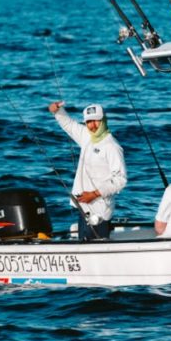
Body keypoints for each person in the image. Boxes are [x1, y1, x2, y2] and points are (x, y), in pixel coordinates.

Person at [48, 100, 127, 240]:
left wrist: (95, 194)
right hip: (83, 207)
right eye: (89, 122)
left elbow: (120, 180)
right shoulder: (87, 136)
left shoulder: (112, 146)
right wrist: (57, 111)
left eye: (96, 121)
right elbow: (70, 125)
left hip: (100, 211)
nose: (93, 125)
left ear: (103, 120)